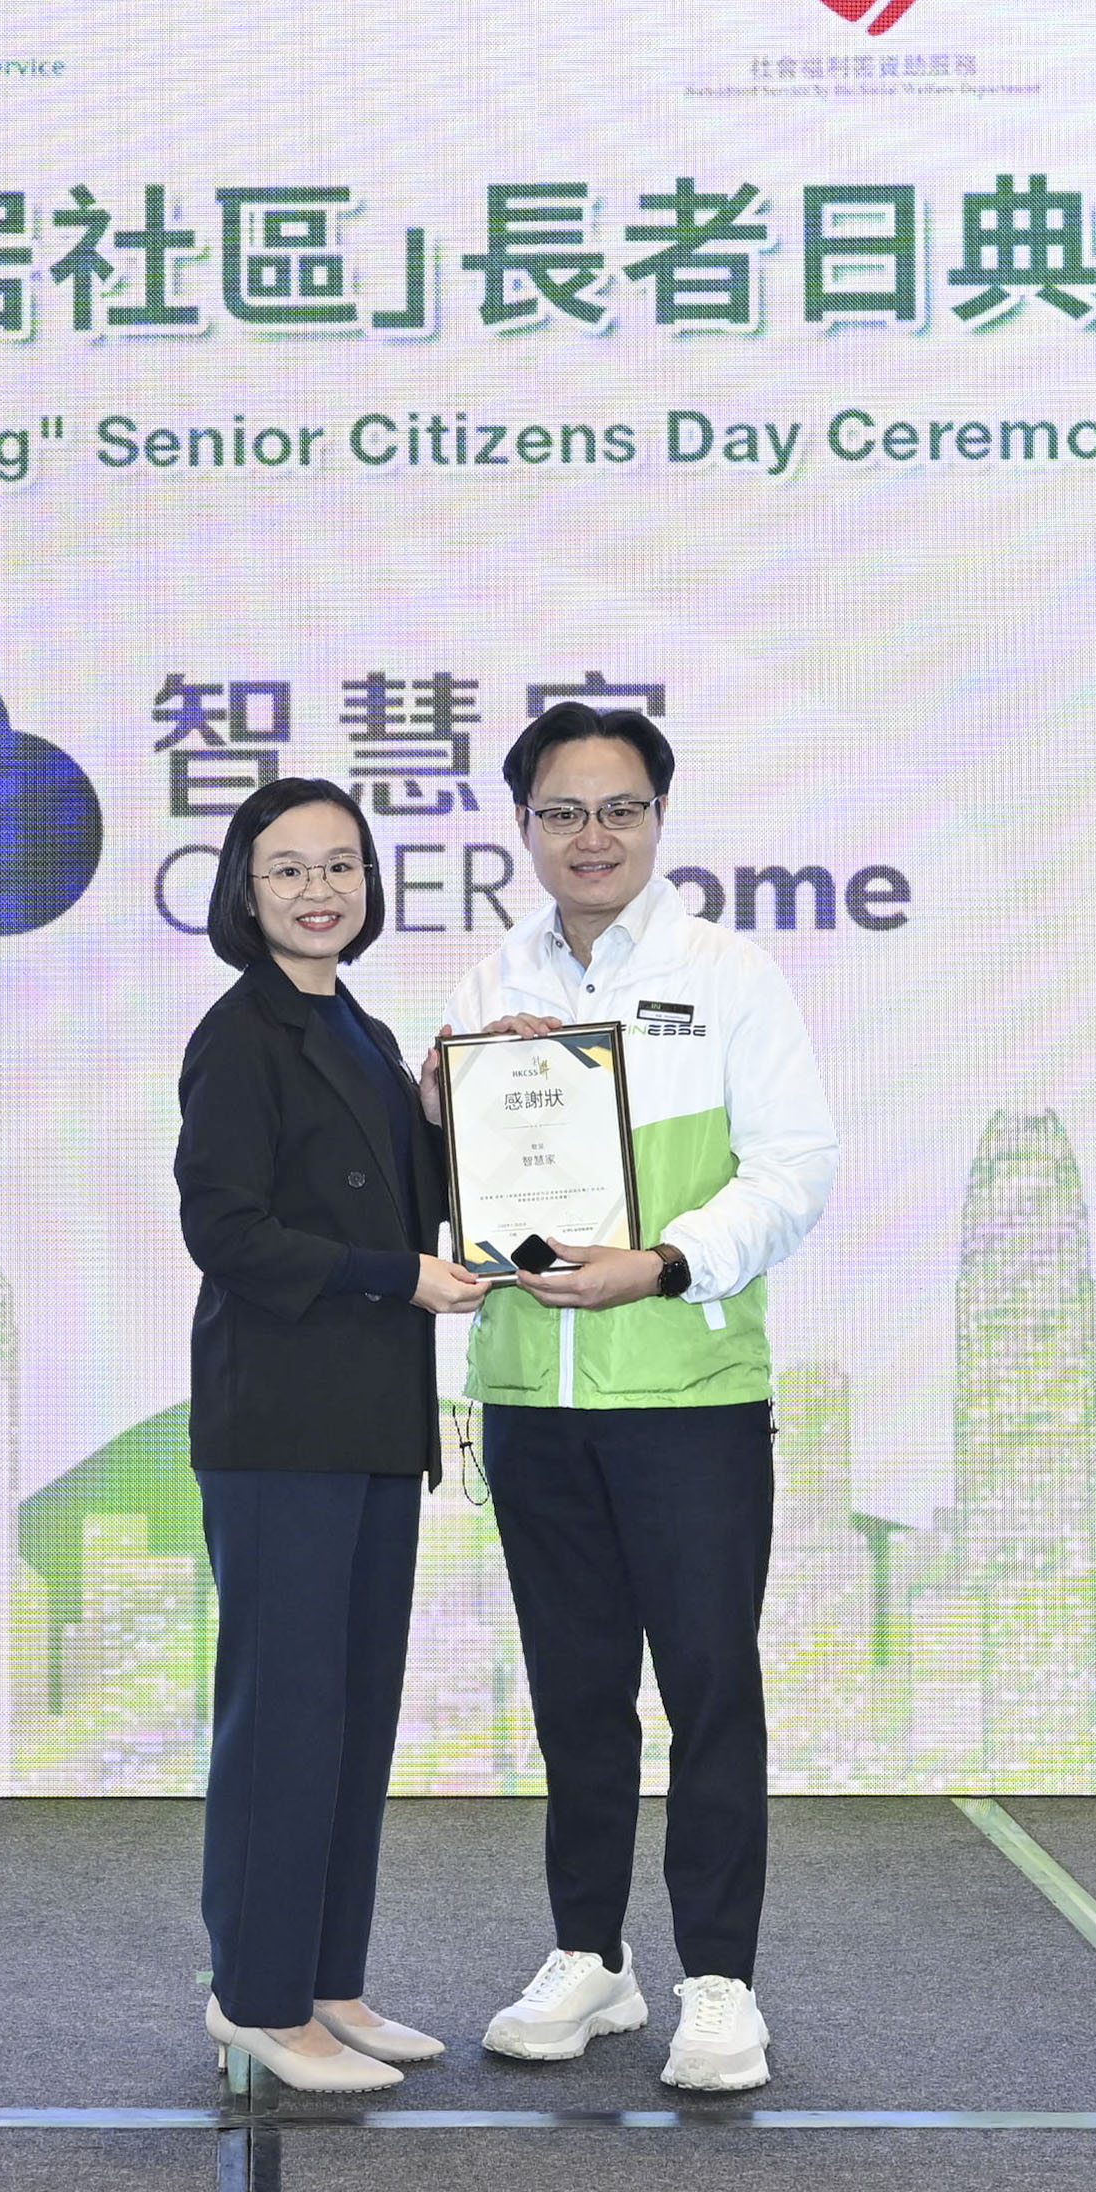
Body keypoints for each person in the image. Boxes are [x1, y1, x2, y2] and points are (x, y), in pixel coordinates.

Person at [437, 705, 838, 2093]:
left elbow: (792, 1169)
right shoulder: (488, 981)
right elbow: (456, 1189)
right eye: (562, 812)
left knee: (709, 1686)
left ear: (659, 818)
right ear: (524, 827)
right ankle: (590, 1956)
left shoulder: (728, 976)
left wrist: (662, 1263)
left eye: (618, 808)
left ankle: (719, 1979)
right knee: (575, 1694)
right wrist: (437, 1105)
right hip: (531, 1398)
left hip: (686, 1391)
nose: (591, 836)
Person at [173, 777, 486, 2094]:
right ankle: (256, 1997)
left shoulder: (359, 1025)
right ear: (244, 890)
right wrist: (391, 1276)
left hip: (369, 1417)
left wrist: (450, 1110)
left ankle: (327, 1979)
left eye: (341, 864)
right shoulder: (239, 1035)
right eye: (288, 867)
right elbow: (225, 1230)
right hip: (279, 1420)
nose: (319, 889)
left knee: (352, 1712)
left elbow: (410, 1200)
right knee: (285, 1714)